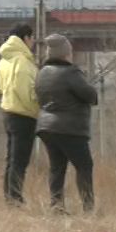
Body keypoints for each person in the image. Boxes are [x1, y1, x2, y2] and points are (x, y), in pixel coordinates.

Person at [33, 33, 99, 213]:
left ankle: (56, 206)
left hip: (46, 127)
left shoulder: (42, 73)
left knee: (57, 167)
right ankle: (88, 208)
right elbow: (90, 95)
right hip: (69, 128)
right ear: (65, 53)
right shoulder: (71, 73)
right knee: (84, 166)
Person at [0, 23, 40, 203]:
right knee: (20, 160)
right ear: (25, 38)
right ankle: (15, 197)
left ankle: (9, 195)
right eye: (32, 37)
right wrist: (37, 104)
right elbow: (26, 90)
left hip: (8, 111)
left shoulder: (5, 59)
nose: (34, 41)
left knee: (11, 158)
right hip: (23, 113)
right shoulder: (22, 61)